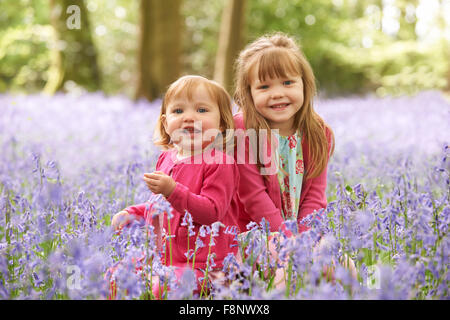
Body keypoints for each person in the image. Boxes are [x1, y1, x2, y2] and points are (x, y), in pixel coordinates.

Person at [109, 75, 240, 298]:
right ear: (165, 124)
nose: (189, 118)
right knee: (115, 276)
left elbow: (212, 212)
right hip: (162, 257)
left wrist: (172, 190)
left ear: (221, 125)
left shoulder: (220, 163)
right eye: (178, 111)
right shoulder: (167, 158)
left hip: (205, 264)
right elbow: (160, 205)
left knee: (165, 288)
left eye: (201, 110)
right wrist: (134, 213)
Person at [233, 32, 335, 234]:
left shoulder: (318, 132)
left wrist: (304, 240)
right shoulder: (242, 131)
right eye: (264, 86)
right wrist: (288, 241)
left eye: (288, 82)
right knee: (282, 265)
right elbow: (254, 197)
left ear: (305, 84)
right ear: (249, 93)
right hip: (250, 234)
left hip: (299, 235)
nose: (278, 94)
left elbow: (315, 196)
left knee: (343, 264)